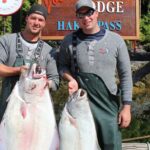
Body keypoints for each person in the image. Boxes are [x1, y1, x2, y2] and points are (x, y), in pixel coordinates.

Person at [58, 0, 133, 149]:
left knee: (111, 145)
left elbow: (125, 75)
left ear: (96, 13)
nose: (86, 18)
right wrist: (71, 79)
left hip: (108, 107)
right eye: (81, 15)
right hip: (80, 105)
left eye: (89, 13)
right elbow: (62, 66)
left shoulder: (116, 40)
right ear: (77, 17)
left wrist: (126, 107)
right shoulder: (68, 41)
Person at [0, 4, 59, 121]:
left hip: (36, 113)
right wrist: (18, 70)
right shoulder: (7, 40)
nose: (36, 23)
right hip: (8, 108)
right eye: (33, 18)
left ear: (44, 23)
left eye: (41, 20)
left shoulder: (49, 51)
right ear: (27, 18)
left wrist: (46, 83)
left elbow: (55, 81)